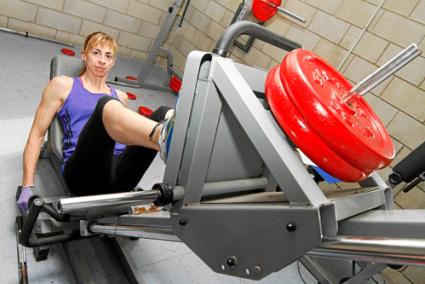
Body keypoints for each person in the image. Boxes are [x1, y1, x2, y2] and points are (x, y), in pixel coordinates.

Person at [17, 31, 175, 211]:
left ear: (113, 62)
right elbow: (37, 134)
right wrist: (27, 185)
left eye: (108, 56)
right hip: (82, 176)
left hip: (120, 178)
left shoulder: (121, 97)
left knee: (164, 112)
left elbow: (126, 135)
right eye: (96, 53)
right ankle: (164, 136)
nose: (102, 60)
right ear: (84, 55)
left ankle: (178, 141)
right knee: (106, 105)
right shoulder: (63, 85)